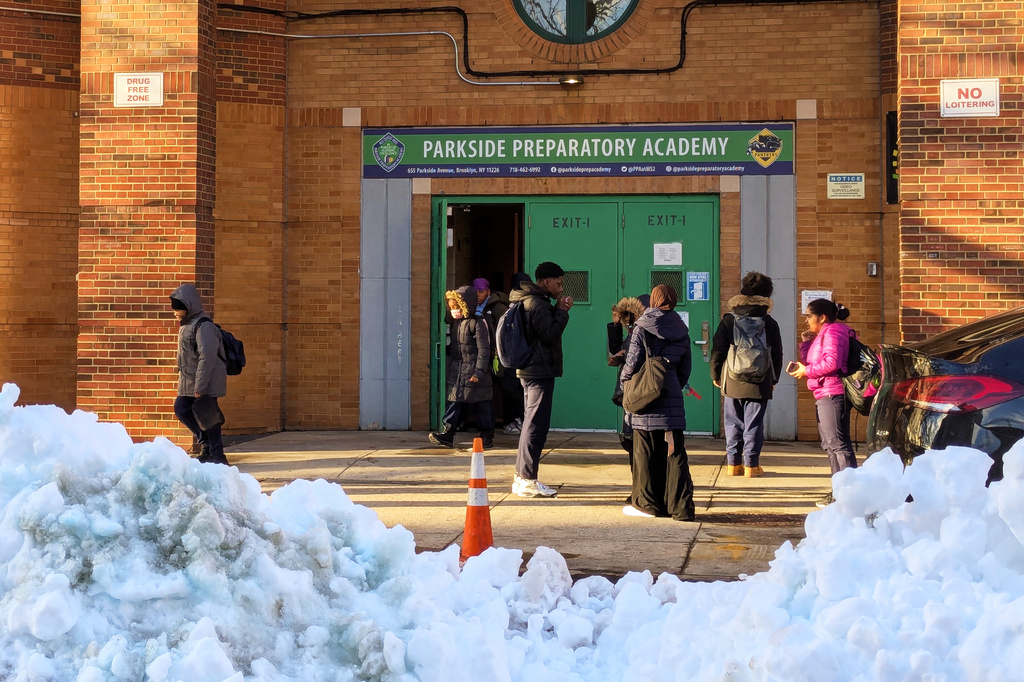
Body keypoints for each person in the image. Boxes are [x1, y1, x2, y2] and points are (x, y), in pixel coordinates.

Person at [618, 284, 695, 521]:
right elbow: (685, 367)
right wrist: (670, 383)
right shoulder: (681, 328)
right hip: (671, 395)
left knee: (645, 453)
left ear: (653, 300)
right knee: (674, 452)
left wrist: (626, 387)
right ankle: (680, 508)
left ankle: (646, 504)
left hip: (645, 397)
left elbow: (631, 363)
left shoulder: (642, 326)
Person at [709, 272, 784, 478]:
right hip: (761, 379)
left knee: (732, 421)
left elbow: (718, 350)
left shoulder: (729, 321)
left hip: (732, 378)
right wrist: (774, 379)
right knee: (754, 422)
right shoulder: (769, 322)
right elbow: (777, 353)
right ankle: (751, 465)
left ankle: (733, 465)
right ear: (766, 295)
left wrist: (715, 374)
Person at [788, 298, 857, 507]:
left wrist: (805, 371)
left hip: (833, 393)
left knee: (838, 444)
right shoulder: (824, 334)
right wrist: (808, 343)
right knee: (830, 445)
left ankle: (850, 494)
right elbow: (814, 361)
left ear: (823, 317)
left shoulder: (834, 332)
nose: (807, 320)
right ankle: (839, 491)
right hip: (823, 393)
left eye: (809, 315)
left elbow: (831, 363)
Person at [511, 263, 572, 498]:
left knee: (530, 423)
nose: (560, 287)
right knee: (536, 426)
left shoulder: (528, 300)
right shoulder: (537, 303)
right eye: (559, 283)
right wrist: (562, 311)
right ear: (546, 282)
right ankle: (527, 479)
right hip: (538, 372)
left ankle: (521, 476)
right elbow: (549, 334)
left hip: (530, 370)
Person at [429, 285, 495, 448]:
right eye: (451, 307)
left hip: (475, 371)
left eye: (456, 307)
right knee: (455, 401)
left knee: (482, 403)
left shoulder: (478, 324)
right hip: (458, 370)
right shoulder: (457, 324)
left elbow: (484, 350)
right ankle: (448, 432)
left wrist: (479, 371)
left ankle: (486, 435)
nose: (454, 310)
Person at [170, 283, 229, 465]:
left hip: (204, 381)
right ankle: (206, 445)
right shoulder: (187, 325)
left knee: (208, 416)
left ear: (187, 307)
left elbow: (207, 357)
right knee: (182, 409)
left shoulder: (204, 326)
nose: (175, 312)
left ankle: (217, 455)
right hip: (189, 380)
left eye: (178, 309)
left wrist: (201, 386)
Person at [474, 276, 523, 435]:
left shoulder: (497, 307)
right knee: (485, 390)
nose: (478, 295)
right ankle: (483, 423)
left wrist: (500, 350)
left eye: (481, 292)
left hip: (499, 357)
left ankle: (513, 420)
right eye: (475, 292)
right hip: (483, 356)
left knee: (508, 388)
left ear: (488, 292)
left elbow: (505, 331)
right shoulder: (473, 308)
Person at [608, 296, 648, 460]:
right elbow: (616, 348)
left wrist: (624, 357)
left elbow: (634, 359)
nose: (628, 320)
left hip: (636, 386)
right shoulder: (632, 332)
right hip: (631, 387)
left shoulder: (643, 331)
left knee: (632, 432)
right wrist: (616, 325)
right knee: (630, 431)